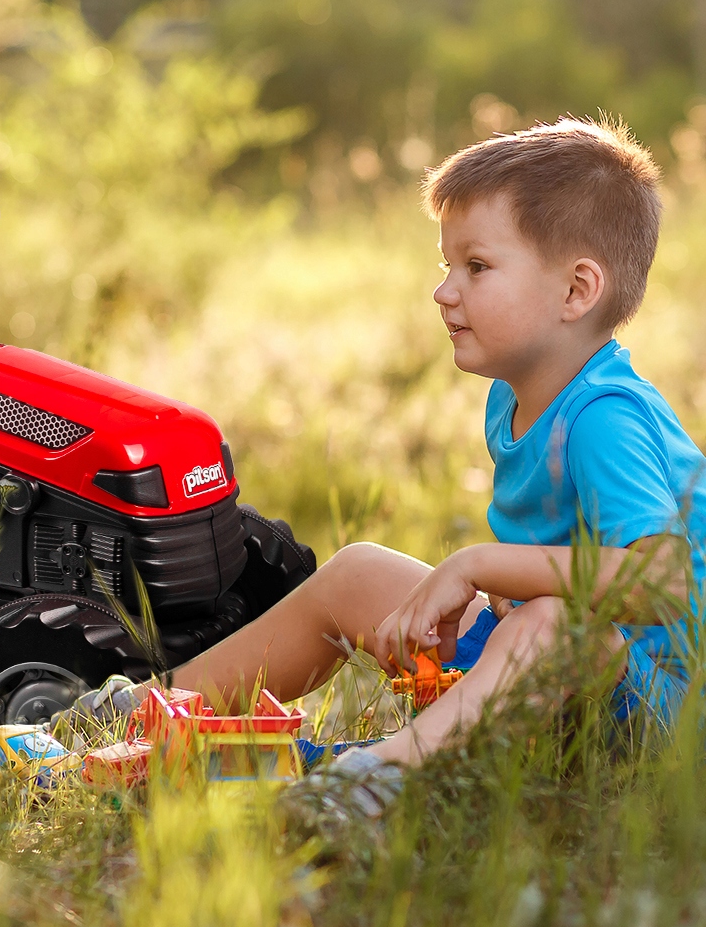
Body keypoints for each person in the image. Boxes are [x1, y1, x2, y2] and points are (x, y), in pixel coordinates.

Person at [62, 118, 705, 816]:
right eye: (446, 266)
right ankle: (149, 709)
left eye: (477, 267)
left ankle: (379, 776)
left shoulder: (607, 418)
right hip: (539, 682)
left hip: (652, 719)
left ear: (577, 290)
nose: (445, 291)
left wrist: (481, 566)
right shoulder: (512, 401)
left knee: (554, 622)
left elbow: (661, 580)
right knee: (363, 570)